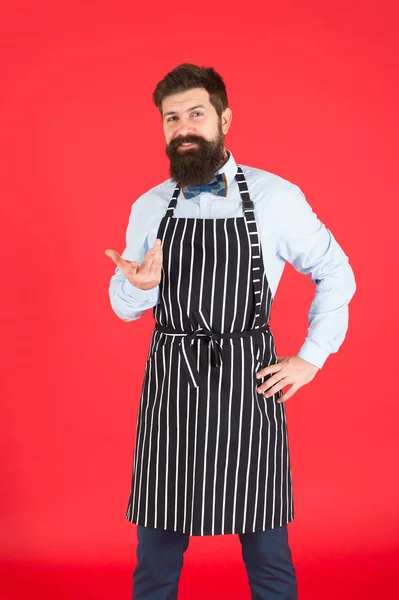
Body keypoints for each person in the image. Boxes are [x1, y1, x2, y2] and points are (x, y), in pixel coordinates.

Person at [105, 63, 356, 600]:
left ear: (224, 118)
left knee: (268, 555)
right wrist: (142, 287)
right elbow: (123, 306)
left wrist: (311, 356)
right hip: (172, 386)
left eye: (196, 113)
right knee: (155, 559)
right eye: (171, 118)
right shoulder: (148, 206)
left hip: (249, 384)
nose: (183, 126)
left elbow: (336, 271)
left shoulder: (277, 197)